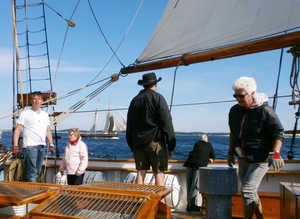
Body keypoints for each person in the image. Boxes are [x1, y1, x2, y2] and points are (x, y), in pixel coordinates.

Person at [227, 76, 284, 219]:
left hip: (261, 158)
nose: (238, 99)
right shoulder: (234, 110)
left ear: (252, 93)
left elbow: (278, 133)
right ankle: (260, 217)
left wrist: (276, 153)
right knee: (251, 192)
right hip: (242, 157)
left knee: (246, 190)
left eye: (241, 95)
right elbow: (233, 132)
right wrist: (229, 153)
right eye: (235, 95)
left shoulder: (265, 111)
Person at [126, 72, 176, 186]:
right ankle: (158, 203)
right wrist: (171, 145)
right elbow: (166, 121)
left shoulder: (134, 101)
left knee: (140, 172)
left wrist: (132, 147)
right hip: (155, 142)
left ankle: (140, 202)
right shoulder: (158, 98)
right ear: (155, 84)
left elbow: (129, 126)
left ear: (143, 85)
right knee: (159, 173)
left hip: (138, 143)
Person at [13, 91, 55, 182]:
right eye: (34, 99)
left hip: (41, 145)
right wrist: (15, 146)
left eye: (38, 99)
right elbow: (17, 130)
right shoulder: (25, 113)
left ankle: (32, 189)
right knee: (31, 172)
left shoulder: (45, 115)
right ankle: (31, 192)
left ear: (42, 101)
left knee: (37, 171)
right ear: (31, 101)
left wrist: (51, 144)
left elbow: (47, 130)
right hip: (30, 146)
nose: (36, 101)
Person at [183, 134, 215, 212]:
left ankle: (191, 205)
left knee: (189, 185)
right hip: (199, 165)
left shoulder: (196, 144)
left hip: (189, 164)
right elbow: (213, 156)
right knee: (195, 186)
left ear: (199, 140)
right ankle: (190, 206)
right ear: (206, 140)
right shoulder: (209, 145)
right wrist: (210, 158)